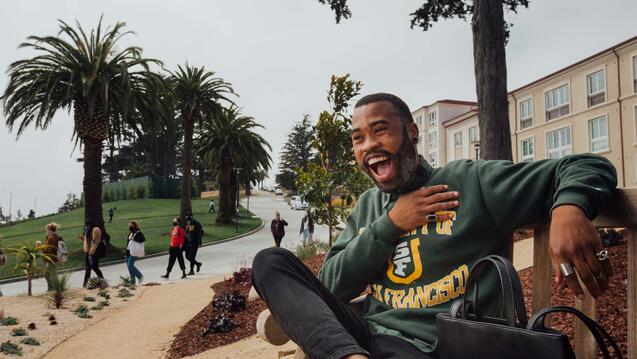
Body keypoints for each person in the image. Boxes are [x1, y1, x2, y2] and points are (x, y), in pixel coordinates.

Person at [251, 93, 618, 359]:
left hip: (450, 342)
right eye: (358, 138)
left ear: (412, 132)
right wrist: (391, 224)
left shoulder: (469, 181)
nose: (368, 145)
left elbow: (586, 165)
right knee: (270, 261)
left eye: (381, 130)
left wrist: (569, 209)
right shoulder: (368, 206)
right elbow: (330, 286)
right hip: (370, 339)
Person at [81, 219, 105, 287]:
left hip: (94, 251)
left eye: (86, 225)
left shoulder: (95, 229)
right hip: (89, 251)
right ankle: (85, 284)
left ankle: (102, 281)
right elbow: (89, 241)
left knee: (95, 267)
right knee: (88, 269)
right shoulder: (89, 231)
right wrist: (83, 238)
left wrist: (91, 252)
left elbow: (95, 242)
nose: (85, 227)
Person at [43, 222, 63, 290]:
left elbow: (48, 249)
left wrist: (39, 246)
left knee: (51, 274)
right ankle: (52, 287)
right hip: (54, 258)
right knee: (49, 273)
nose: (46, 231)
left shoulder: (51, 238)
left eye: (47, 230)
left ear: (50, 230)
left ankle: (54, 287)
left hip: (50, 258)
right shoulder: (57, 236)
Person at [126, 220, 145, 284]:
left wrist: (135, 239)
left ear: (134, 226)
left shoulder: (138, 233)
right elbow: (129, 243)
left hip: (134, 252)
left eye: (131, 225)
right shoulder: (130, 233)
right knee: (130, 269)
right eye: (129, 225)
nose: (129, 227)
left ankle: (140, 276)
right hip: (128, 252)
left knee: (130, 266)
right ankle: (132, 282)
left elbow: (143, 239)